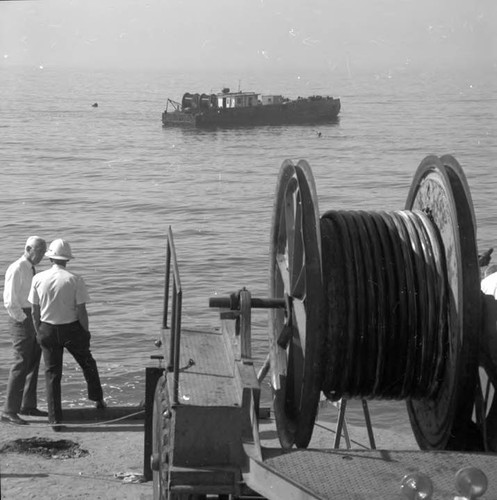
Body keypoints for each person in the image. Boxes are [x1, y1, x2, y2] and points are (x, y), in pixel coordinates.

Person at [28, 239, 106, 429]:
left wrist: (39, 330)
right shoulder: (74, 279)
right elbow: (81, 311)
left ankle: (55, 419)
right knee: (88, 363)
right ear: (67, 260)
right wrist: (85, 332)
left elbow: (34, 311)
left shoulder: (38, 278)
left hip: (47, 328)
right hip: (71, 329)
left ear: (50, 258)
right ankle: (97, 400)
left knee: (53, 375)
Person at [2, 236, 48, 425]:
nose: (42, 256)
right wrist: (25, 321)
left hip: (31, 316)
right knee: (21, 363)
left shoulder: (29, 268)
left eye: (44, 252)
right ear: (29, 249)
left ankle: (27, 405)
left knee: (33, 361)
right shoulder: (17, 268)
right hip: (21, 318)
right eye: (40, 252)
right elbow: (10, 302)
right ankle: (9, 410)